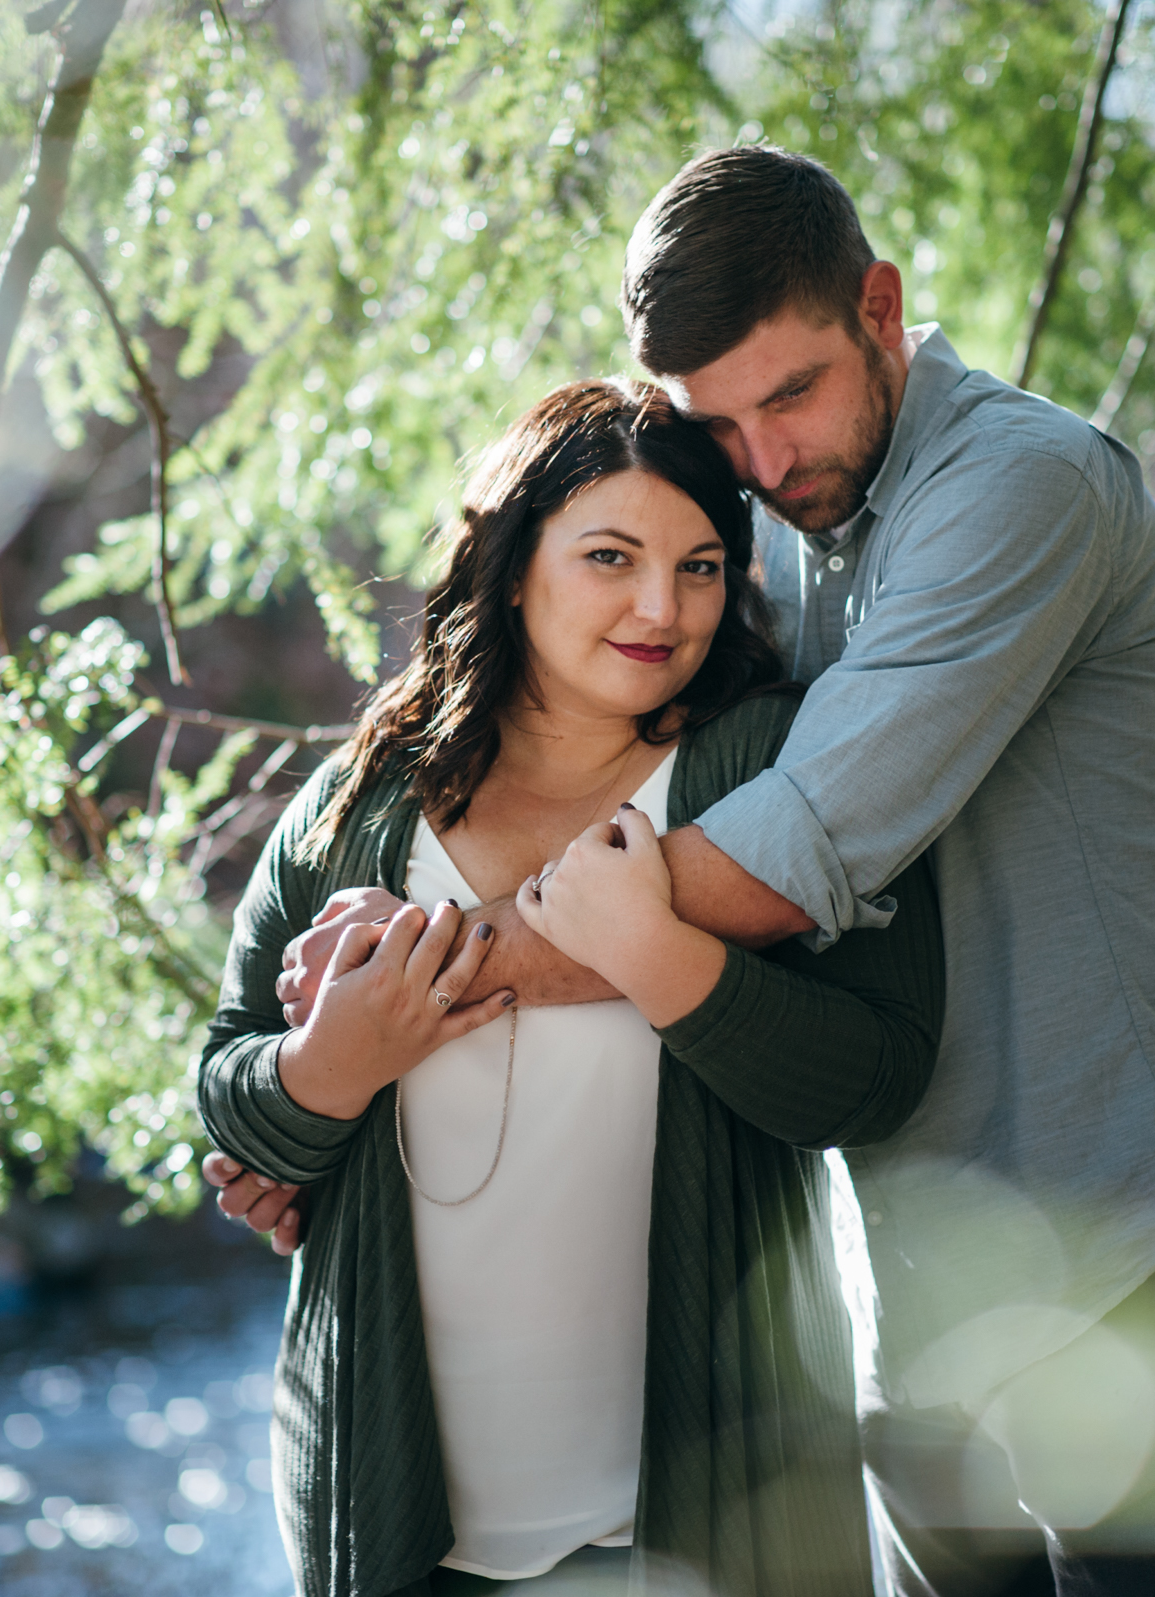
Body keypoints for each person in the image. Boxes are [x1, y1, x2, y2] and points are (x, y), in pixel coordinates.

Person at [244, 147, 1155, 1596]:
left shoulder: (1023, 485)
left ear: (881, 307)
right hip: (924, 1306)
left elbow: (787, 856)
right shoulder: (786, 527)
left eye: (791, 393)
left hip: (1135, 1264)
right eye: (716, 422)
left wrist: (416, 985)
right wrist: (323, 1095)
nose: (757, 461)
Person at [197, 380, 944, 1597]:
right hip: (402, 1535)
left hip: (715, 1531)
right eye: (612, 556)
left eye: (702, 567)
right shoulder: (357, 811)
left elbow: (875, 1078)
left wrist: (656, 955)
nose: (663, 606)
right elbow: (233, 1099)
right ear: (507, 565)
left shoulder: (772, 768)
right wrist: (327, 1071)